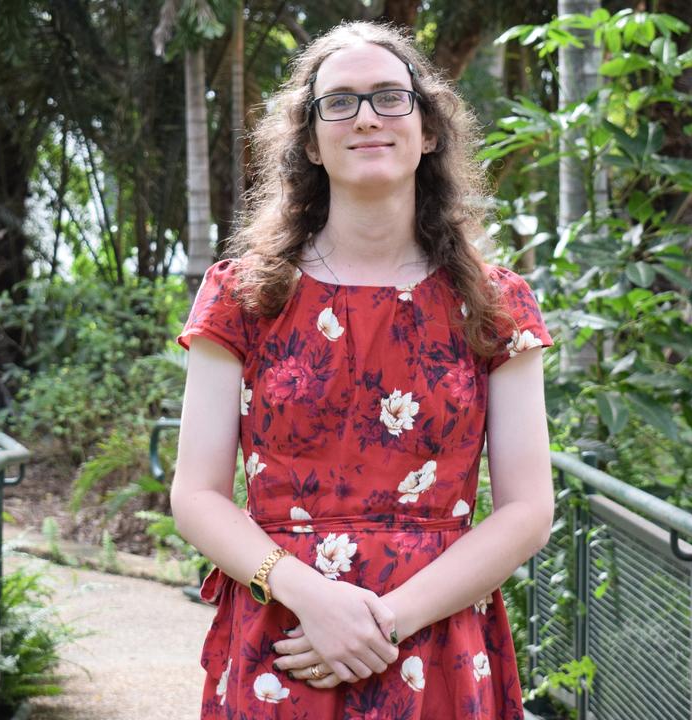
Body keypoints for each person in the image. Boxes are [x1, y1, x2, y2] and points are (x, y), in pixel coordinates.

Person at [171, 20, 554, 719]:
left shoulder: (495, 303)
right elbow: (196, 495)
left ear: (428, 130)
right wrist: (312, 598)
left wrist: (386, 621)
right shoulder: (242, 295)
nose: (367, 116)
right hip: (285, 638)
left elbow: (528, 510)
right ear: (310, 143)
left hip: (435, 638)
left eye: (389, 97)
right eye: (338, 102)